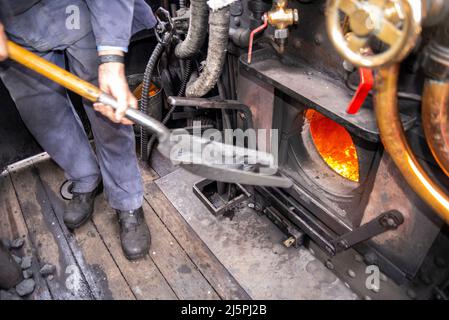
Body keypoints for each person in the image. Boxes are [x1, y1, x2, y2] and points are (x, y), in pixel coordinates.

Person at [0, 0, 155, 260]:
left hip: (77, 9)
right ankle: (85, 177)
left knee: (108, 110)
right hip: (13, 23)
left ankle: (127, 199)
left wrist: (111, 60)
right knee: (43, 112)